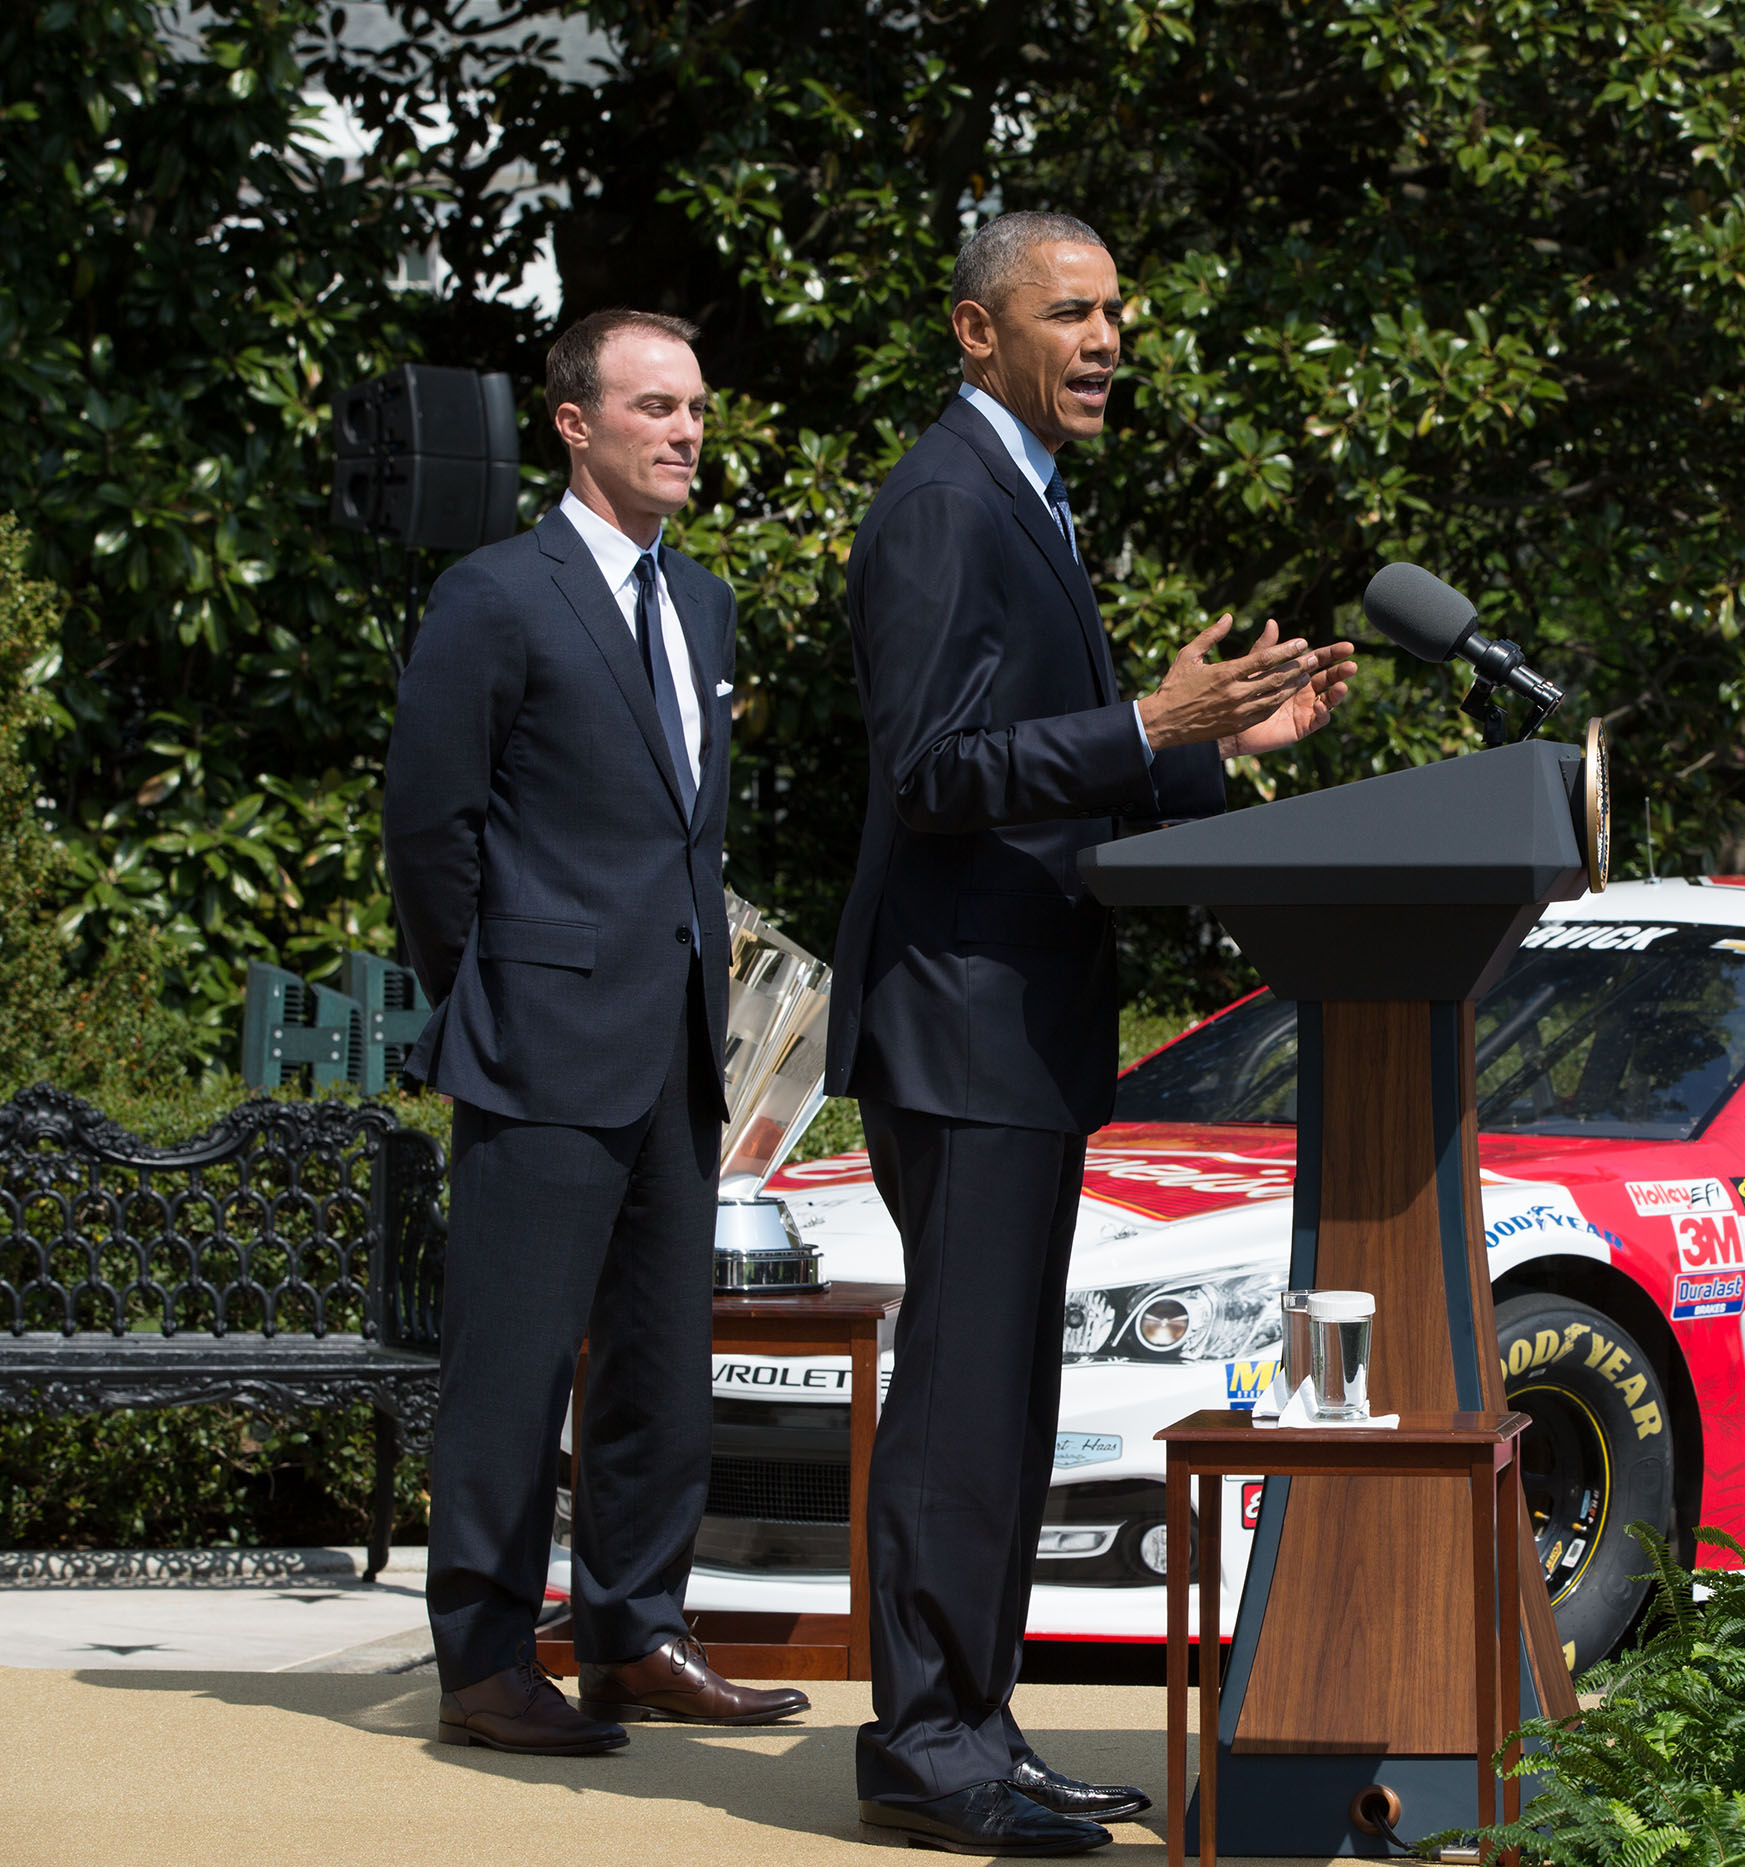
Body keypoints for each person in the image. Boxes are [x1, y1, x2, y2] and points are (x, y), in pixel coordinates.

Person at [830, 211, 1354, 1853]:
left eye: (1119, 309)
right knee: (964, 1404)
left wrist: (1214, 743)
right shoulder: (940, 501)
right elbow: (938, 772)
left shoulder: (1030, 502)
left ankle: (979, 1725)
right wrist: (1149, 721)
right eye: (1071, 312)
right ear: (978, 334)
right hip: (963, 1018)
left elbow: (1058, 766)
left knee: (1005, 1404)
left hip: (1021, 1023)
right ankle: (927, 1746)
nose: (1109, 338)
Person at [386, 307, 810, 1754]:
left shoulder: (702, 607)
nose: (687, 431)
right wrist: (500, 991)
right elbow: (430, 830)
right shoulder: (493, 596)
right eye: (655, 407)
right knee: (508, 1371)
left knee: (657, 1371)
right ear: (575, 422)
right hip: (538, 1048)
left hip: (678, 1053)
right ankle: (488, 1664)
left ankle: (637, 1634)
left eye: (695, 407)